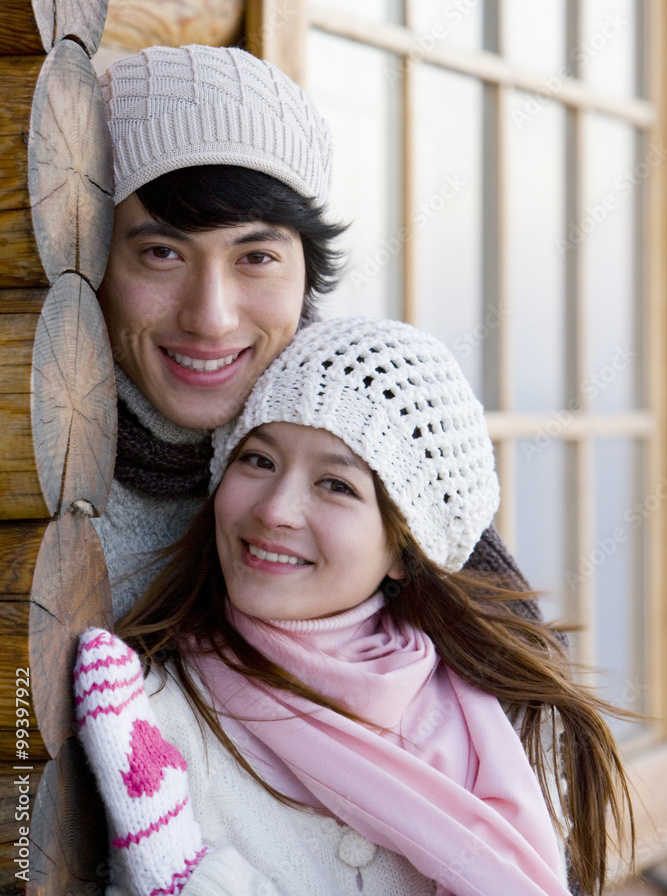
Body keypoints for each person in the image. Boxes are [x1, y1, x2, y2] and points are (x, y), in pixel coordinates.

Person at [74, 318, 632, 896]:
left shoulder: (507, 724)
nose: (276, 511)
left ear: (401, 548)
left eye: (337, 485)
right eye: (259, 461)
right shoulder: (155, 718)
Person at [94, 42, 543, 625]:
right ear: (94, 260)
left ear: (308, 269)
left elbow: (519, 681)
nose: (211, 318)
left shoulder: (370, 417)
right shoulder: (37, 455)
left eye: (255, 257)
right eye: (162, 253)